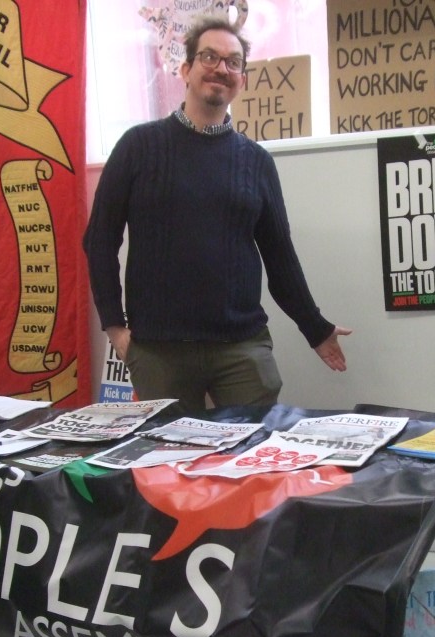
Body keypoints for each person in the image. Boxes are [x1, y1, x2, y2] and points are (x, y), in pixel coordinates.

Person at [83, 15, 350, 415]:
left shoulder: (256, 162)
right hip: (159, 351)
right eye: (209, 57)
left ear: (241, 79)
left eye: (233, 62)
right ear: (185, 69)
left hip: (241, 348)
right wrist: (114, 326)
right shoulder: (138, 147)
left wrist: (316, 328)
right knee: (167, 453)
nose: (221, 68)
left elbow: (280, 257)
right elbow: (99, 240)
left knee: (255, 448)